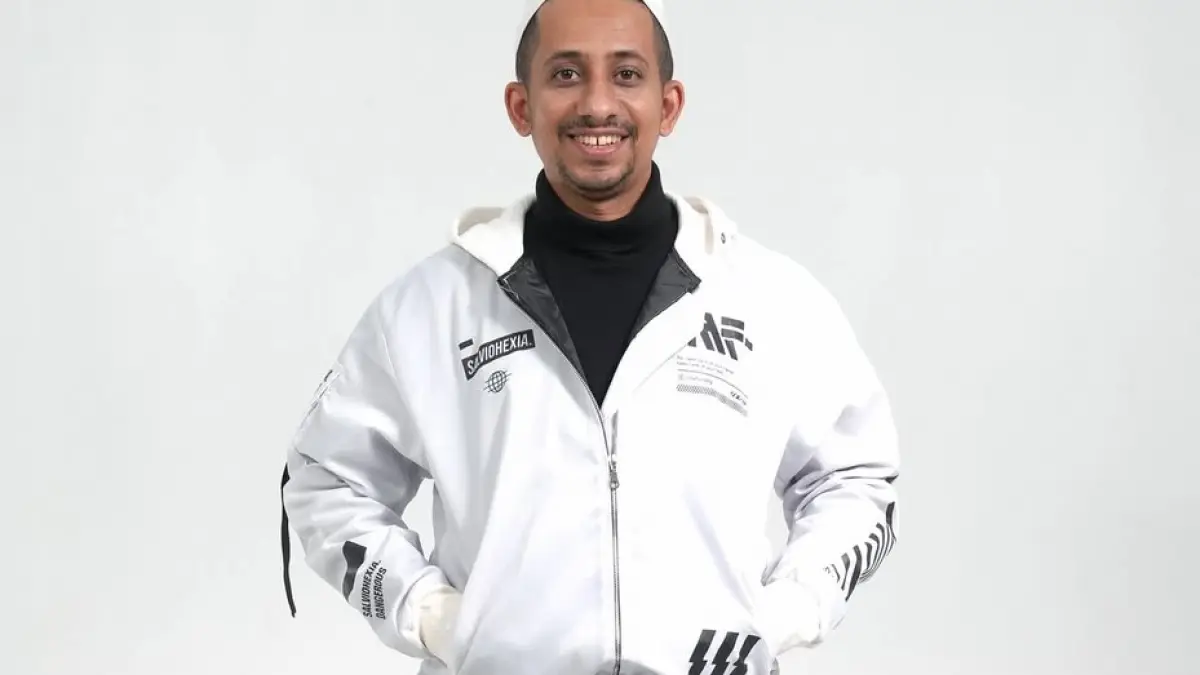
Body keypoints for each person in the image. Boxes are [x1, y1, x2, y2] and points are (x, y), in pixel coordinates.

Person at [278, 1, 900, 673]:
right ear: (521, 106)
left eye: (626, 74)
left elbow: (855, 475)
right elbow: (326, 479)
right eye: (566, 74)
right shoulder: (430, 308)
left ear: (669, 105)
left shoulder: (771, 299)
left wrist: (787, 610)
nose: (598, 104)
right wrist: (429, 614)